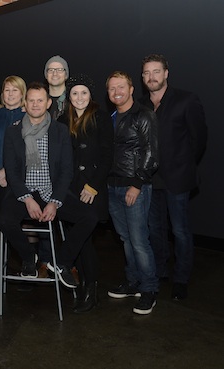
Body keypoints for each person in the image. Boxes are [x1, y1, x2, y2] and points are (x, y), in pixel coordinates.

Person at [0, 82, 97, 289]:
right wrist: (27, 199)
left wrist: (54, 202)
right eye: (31, 100)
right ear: (25, 103)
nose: (35, 105)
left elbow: (66, 171)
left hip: (51, 192)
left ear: (48, 103)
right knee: (4, 218)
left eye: (40, 100)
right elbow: (12, 171)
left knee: (88, 217)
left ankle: (61, 263)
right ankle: (28, 258)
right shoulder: (13, 131)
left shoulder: (60, 131)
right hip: (23, 193)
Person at [140, 54, 207, 300]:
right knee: (155, 229)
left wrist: (183, 164)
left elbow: (199, 140)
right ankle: (160, 270)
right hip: (150, 180)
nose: (151, 77)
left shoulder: (186, 100)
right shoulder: (141, 106)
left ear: (166, 73)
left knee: (180, 230)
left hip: (178, 178)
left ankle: (181, 278)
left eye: (156, 71)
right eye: (146, 73)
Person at [106, 71, 159, 315]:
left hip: (134, 187)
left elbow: (151, 154)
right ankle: (133, 282)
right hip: (113, 186)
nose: (116, 92)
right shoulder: (113, 117)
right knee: (126, 239)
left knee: (139, 241)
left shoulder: (143, 115)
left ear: (131, 89)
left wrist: (137, 184)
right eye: (112, 88)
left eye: (121, 87)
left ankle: (149, 289)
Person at [64, 74, 114, 312]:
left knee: (85, 240)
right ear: (69, 96)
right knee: (81, 238)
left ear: (91, 96)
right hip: (71, 190)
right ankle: (85, 287)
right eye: (75, 93)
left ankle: (89, 290)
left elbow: (107, 156)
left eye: (84, 93)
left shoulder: (101, 118)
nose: (80, 97)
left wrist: (93, 186)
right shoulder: (65, 119)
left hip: (93, 189)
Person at [0, 75, 27, 208]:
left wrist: (8, 171)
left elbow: (30, 149)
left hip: (22, 178)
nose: (10, 94)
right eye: (7, 90)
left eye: (15, 90)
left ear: (22, 93)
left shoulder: (30, 117)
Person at [44, 55, 70, 121]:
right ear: (46, 75)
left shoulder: (74, 101)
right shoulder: (39, 101)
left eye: (60, 70)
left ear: (66, 75)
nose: (55, 73)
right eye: (51, 70)